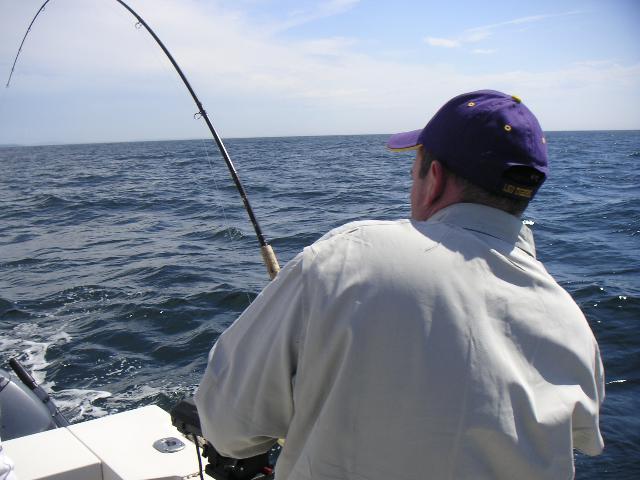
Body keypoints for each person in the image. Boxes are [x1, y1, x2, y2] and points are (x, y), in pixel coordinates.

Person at [195, 90, 604, 479]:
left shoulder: (348, 255)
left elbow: (228, 426)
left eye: (413, 173)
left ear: (435, 179)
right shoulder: (571, 322)